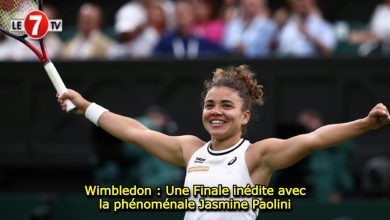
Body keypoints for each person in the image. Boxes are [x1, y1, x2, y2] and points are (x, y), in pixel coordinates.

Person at [57, 65, 390, 220]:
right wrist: (87, 107)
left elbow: (315, 138)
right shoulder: (189, 149)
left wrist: (364, 124)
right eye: (210, 105)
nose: (216, 112)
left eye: (226, 106)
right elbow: (135, 131)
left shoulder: (259, 157)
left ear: (245, 116)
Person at [297, 109, 355, 203]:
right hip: (313, 191)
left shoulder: (332, 137)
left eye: (307, 122)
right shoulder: (306, 143)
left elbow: (346, 147)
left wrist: (340, 191)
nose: (305, 127)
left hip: (331, 191)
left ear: (316, 120)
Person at [153, 0, 229, 59]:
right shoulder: (165, 42)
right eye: (178, 13)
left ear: (192, 15)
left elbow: (225, 54)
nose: (182, 16)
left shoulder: (202, 42)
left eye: (185, 12)